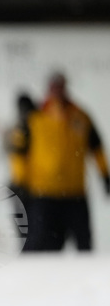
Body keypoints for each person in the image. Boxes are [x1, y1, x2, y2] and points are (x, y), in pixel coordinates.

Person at [20, 73, 110, 251]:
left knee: (84, 245)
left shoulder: (80, 117)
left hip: (74, 193)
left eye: (60, 87)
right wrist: (20, 180)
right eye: (54, 87)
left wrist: (105, 175)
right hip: (43, 193)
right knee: (41, 246)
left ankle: (86, 279)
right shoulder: (36, 117)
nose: (57, 92)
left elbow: (96, 148)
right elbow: (20, 151)